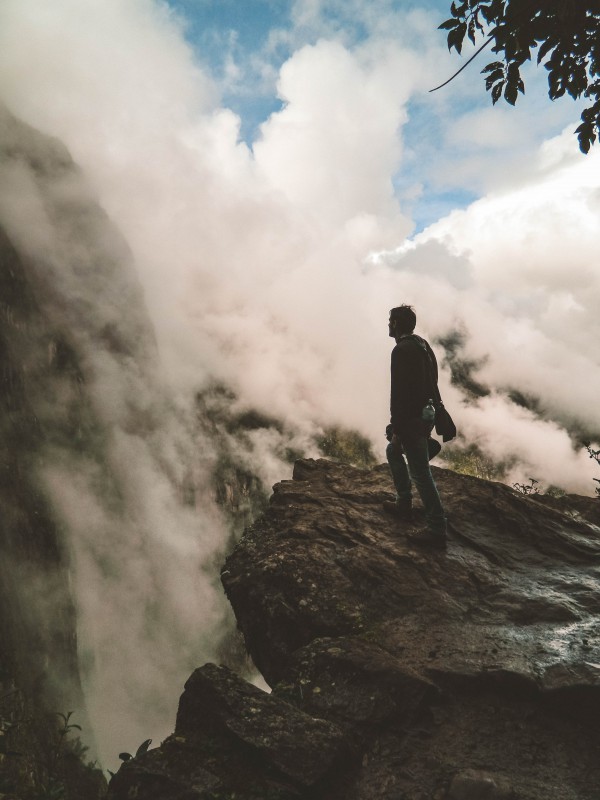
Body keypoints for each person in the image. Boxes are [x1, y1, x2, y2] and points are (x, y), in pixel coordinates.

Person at [384, 304, 447, 548]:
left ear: (397, 324)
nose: (388, 325)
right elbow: (432, 381)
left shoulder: (400, 351)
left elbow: (399, 393)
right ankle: (403, 503)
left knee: (420, 472)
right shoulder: (422, 344)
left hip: (410, 418)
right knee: (392, 452)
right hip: (425, 414)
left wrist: (397, 427)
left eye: (390, 321)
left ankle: (436, 528)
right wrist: (429, 417)